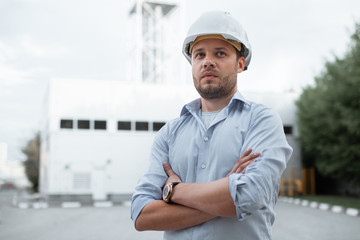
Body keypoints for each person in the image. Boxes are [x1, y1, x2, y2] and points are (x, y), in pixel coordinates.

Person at [131, 11, 293, 239]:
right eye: (199, 55)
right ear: (192, 64)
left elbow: (251, 196)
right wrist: (226, 193)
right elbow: (142, 215)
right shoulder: (169, 134)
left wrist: (173, 191)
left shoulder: (261, 120)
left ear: (240, 63)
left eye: (220, 53)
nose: (207, 61)